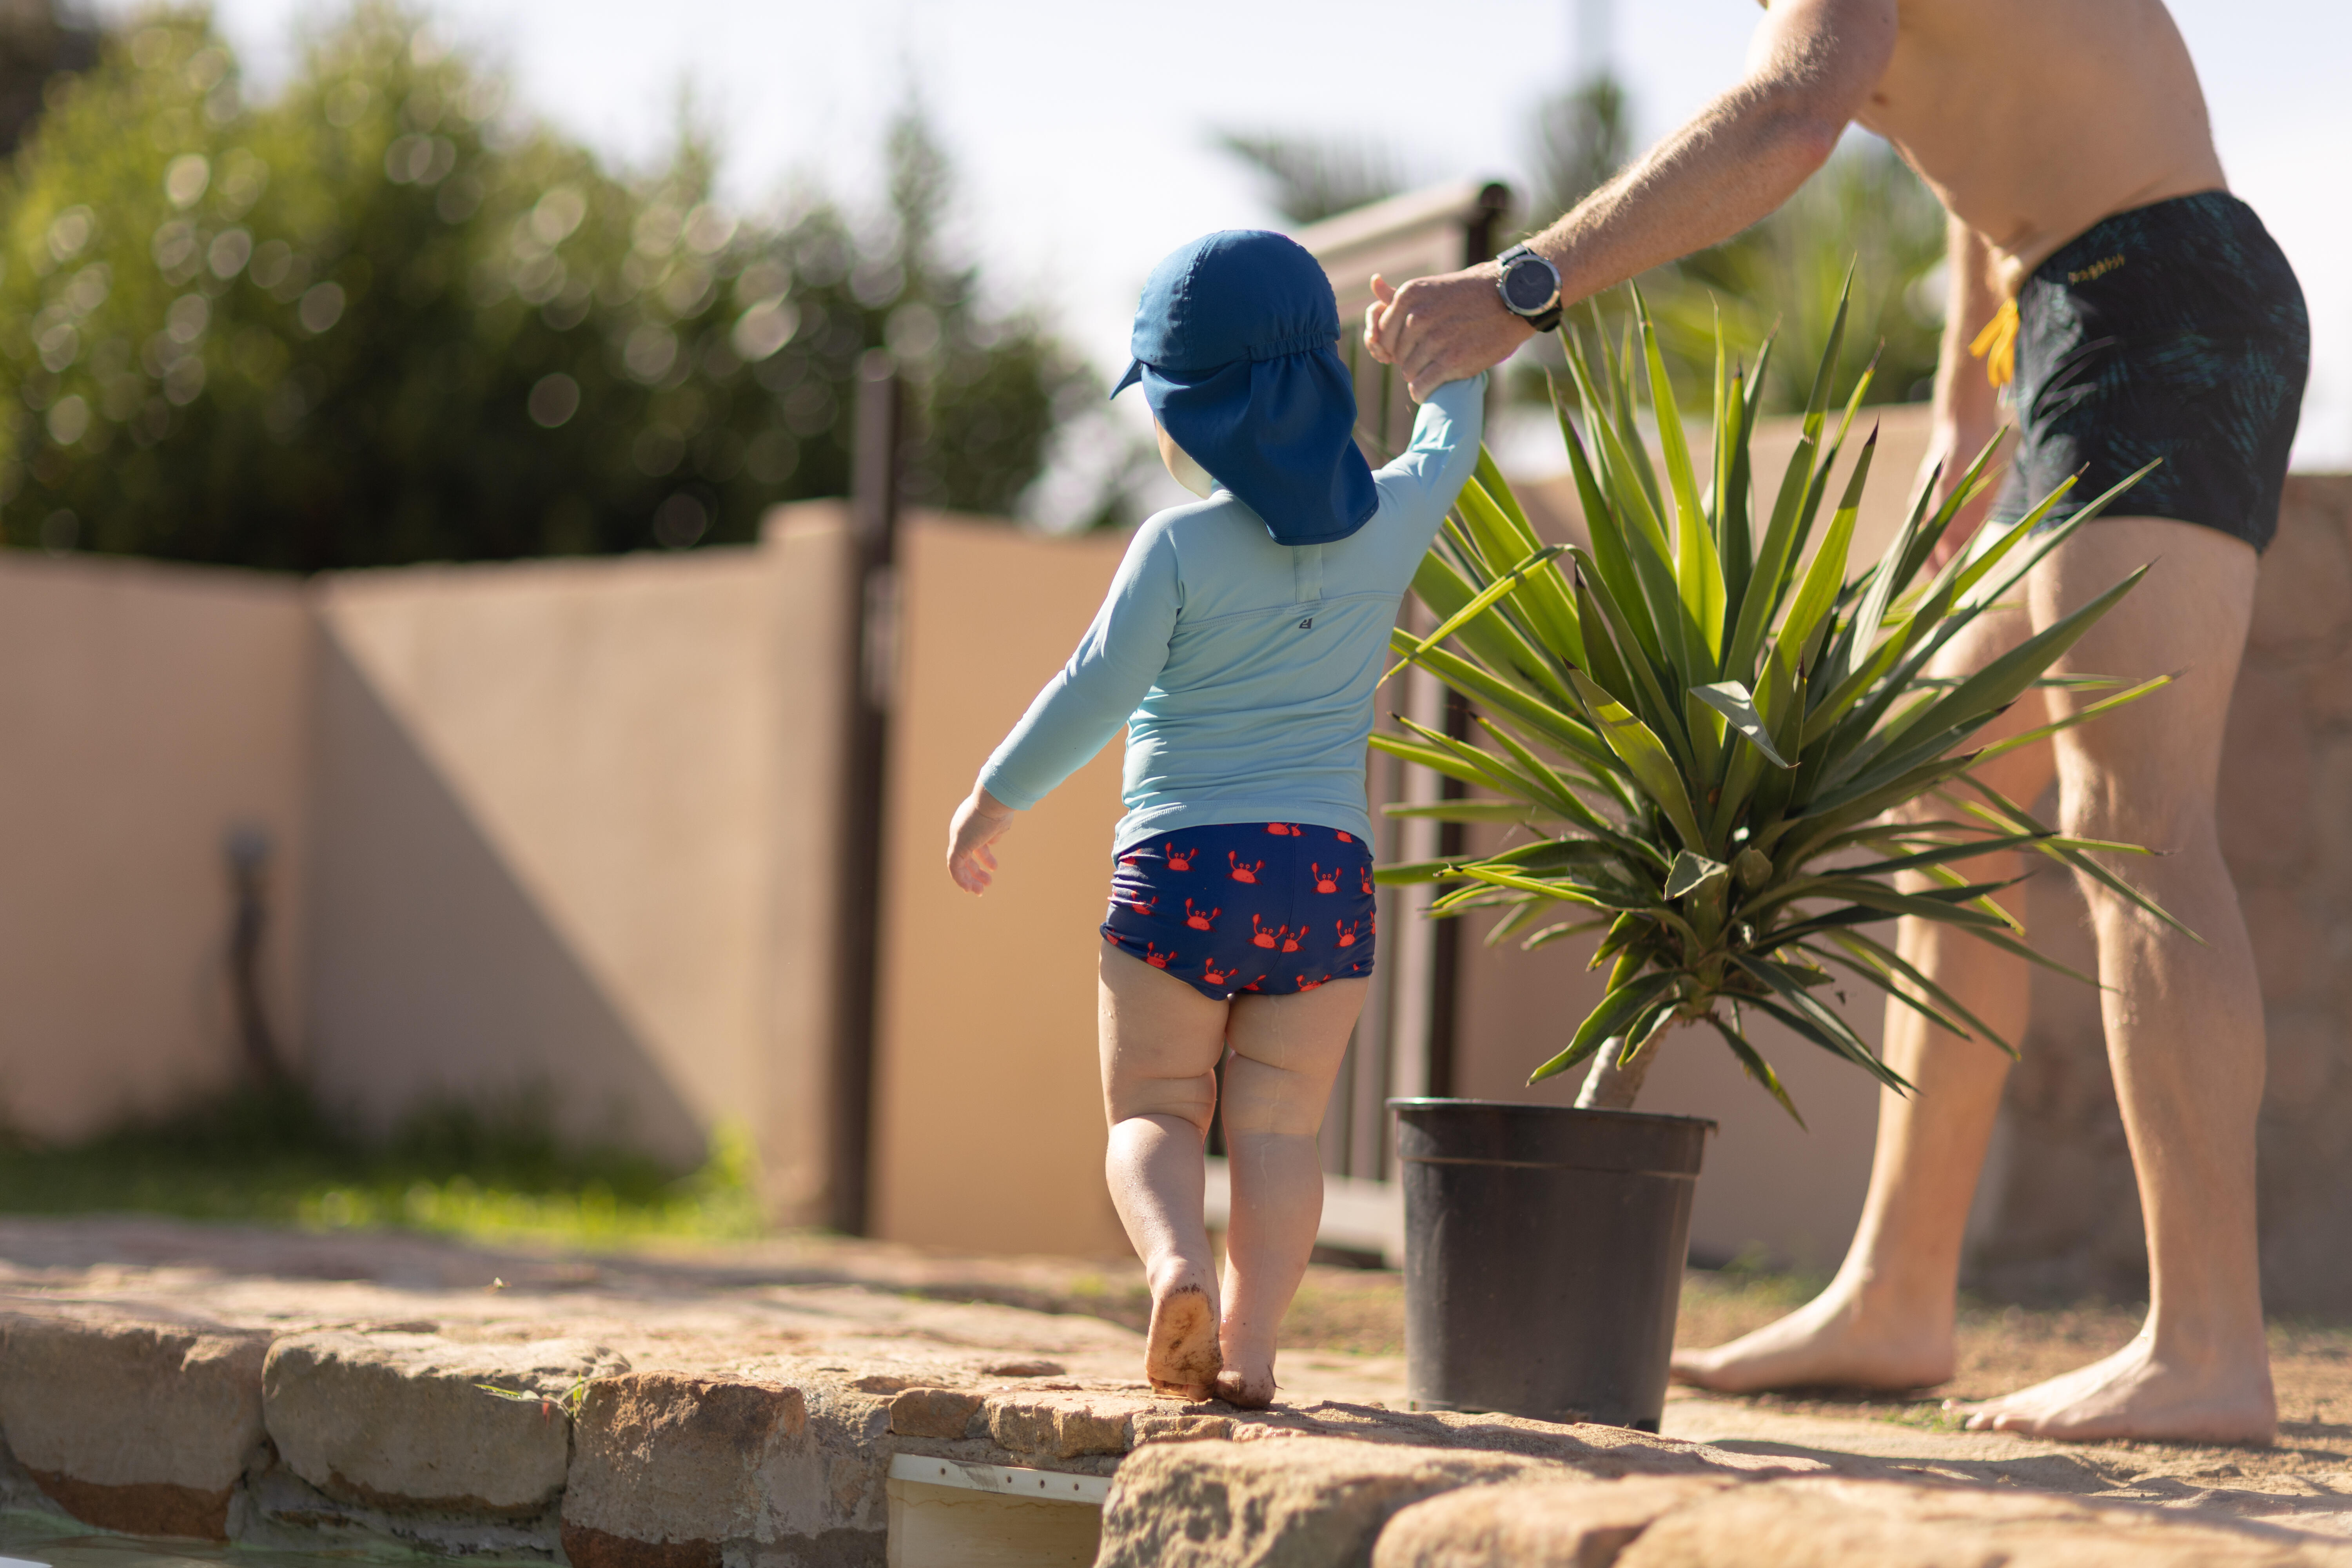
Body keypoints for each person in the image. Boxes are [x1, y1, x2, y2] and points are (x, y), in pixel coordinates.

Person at [1365, 0, 2306, 1443]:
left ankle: (2208, 1348)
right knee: (1953, 784)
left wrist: (1528, 283)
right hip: (2070, 317)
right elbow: (1975, 165)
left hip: (2157, 301)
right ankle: (1898, 1296)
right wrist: (1964, 405)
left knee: (2135, 818)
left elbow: (1789, 119)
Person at [947, 230, 1484, 1406]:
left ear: (1190, 416)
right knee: (1283, 1130)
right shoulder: (1390, 520)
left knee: (1153, 1108)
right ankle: (1250, 1350)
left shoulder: (1177, 547)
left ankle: (1175, 1266)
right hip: (1325, 881)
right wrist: (1439, 359)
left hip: (1182, 872)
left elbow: (1091, 690)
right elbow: (1453, 438)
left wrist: (992, 800)